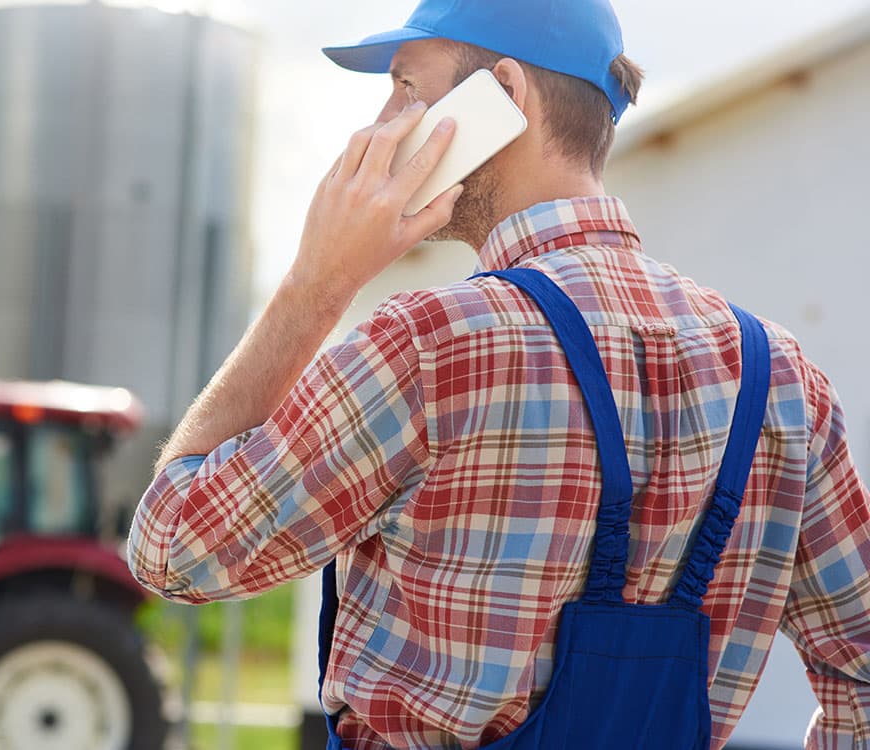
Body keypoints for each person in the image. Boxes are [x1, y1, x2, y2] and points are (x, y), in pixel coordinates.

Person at [127, 0, 870, 747]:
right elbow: (861, 673)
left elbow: (173, 550)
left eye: (408, 87)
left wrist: (314, 286)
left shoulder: (428, 345)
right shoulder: (781, 377)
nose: (382, 124)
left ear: (506, 98)